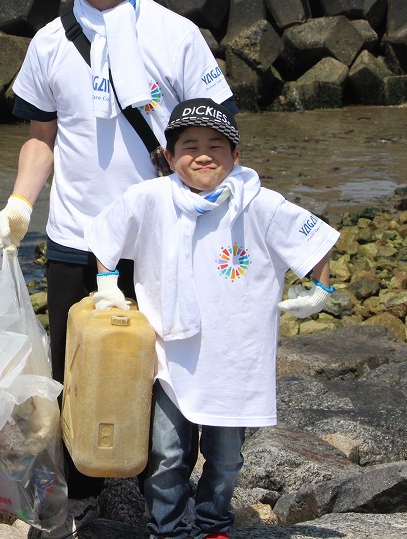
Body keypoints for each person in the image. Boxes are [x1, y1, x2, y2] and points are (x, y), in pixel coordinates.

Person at [0, 0, 237, 537]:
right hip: (77, 237)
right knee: (79, 370)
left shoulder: (173, 34)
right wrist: (19, 203)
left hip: (164, 240)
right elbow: (41, 138)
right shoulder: (49, 42)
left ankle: (168, 503)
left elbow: (219, 135)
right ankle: (83, 500)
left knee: (167, 376)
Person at [85, 99, 340, 539]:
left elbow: (314, 240)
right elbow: (104, 234)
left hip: (233, 357)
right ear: (169, 156)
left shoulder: (258, 203)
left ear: (235, 155)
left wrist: (321, 289)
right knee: (167, 452)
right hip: (170, 352)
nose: (203, 154)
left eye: (216, 145)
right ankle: (165, 529)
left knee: (226, 458)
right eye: (189, 144)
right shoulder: (150, 198)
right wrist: (107, 281)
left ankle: (212, 524)